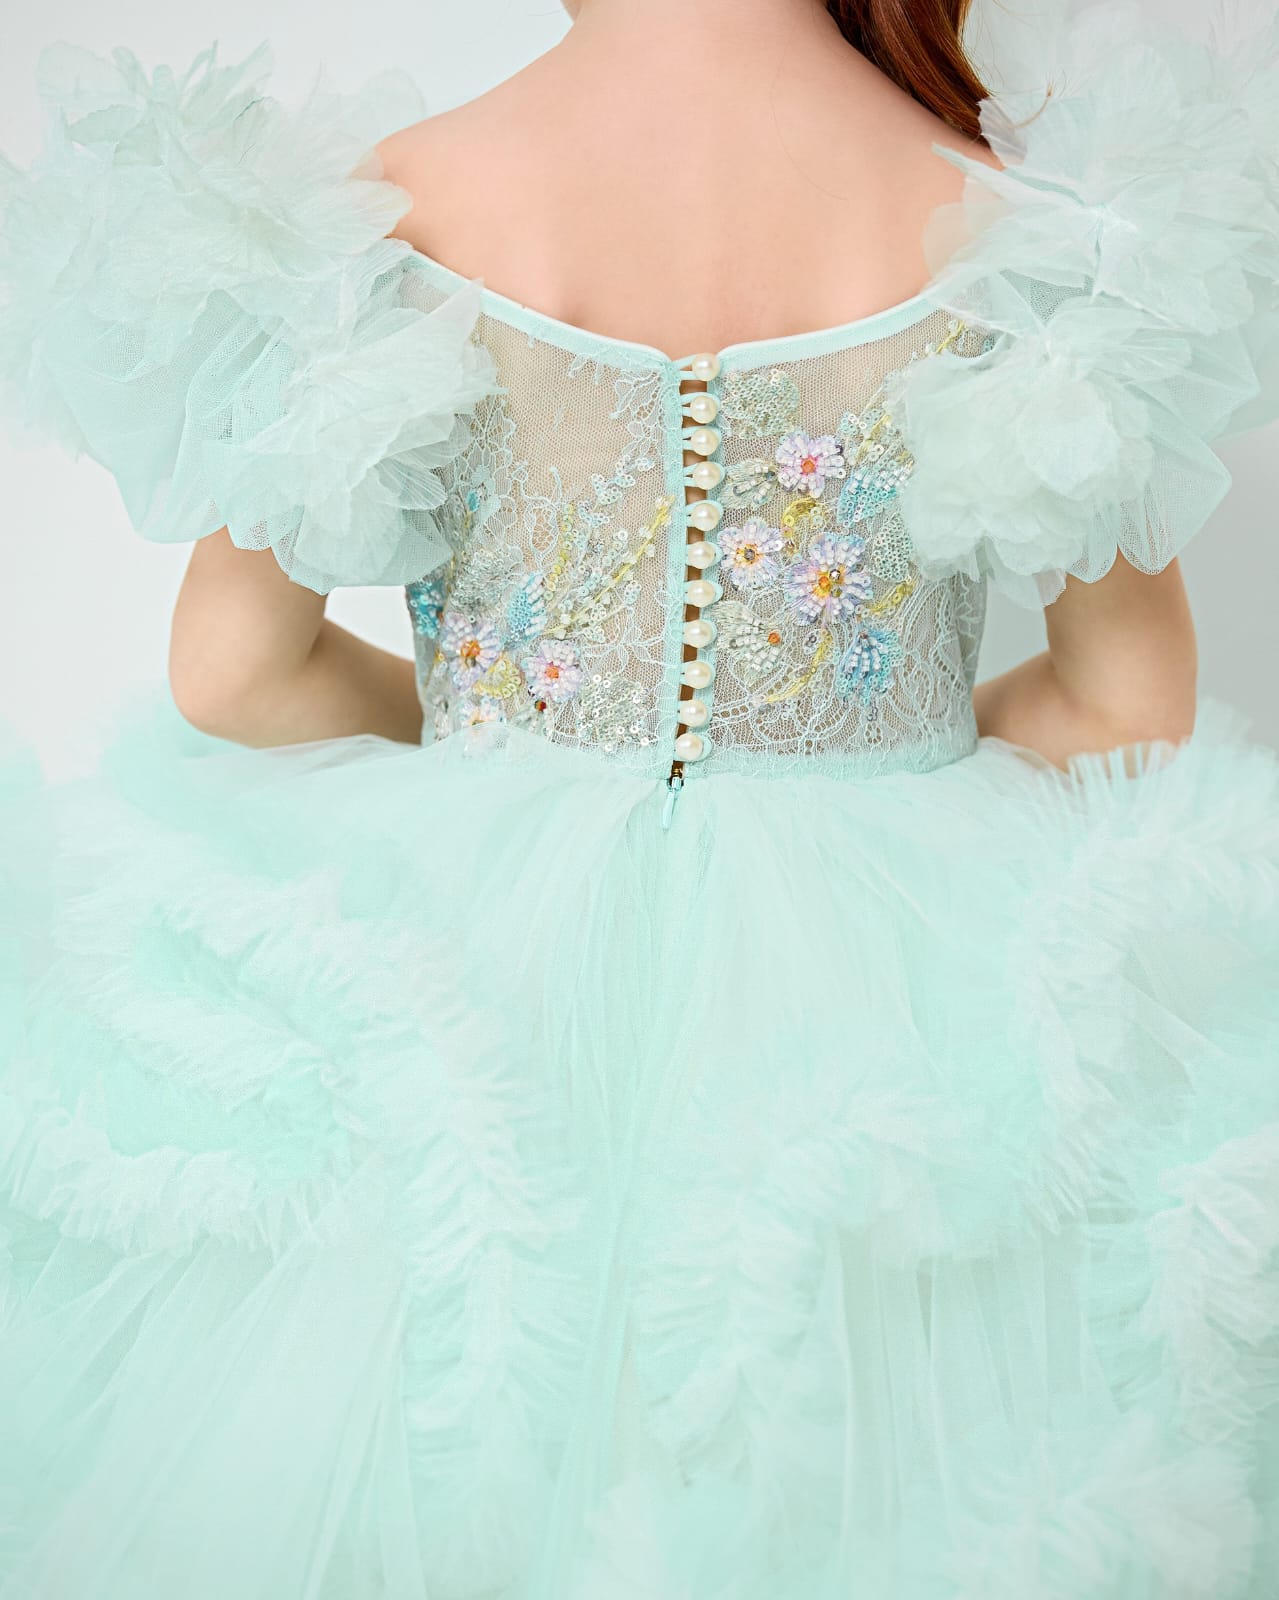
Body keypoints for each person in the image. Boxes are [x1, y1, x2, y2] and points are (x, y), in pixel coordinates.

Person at [0, 0, 1276, 1594]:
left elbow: (233, 677)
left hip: (472, 981)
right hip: (877, 1004)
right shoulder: (1027, 226)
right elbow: (1127, 706)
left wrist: (491, 736)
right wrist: (903, 741)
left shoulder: (378, 212)